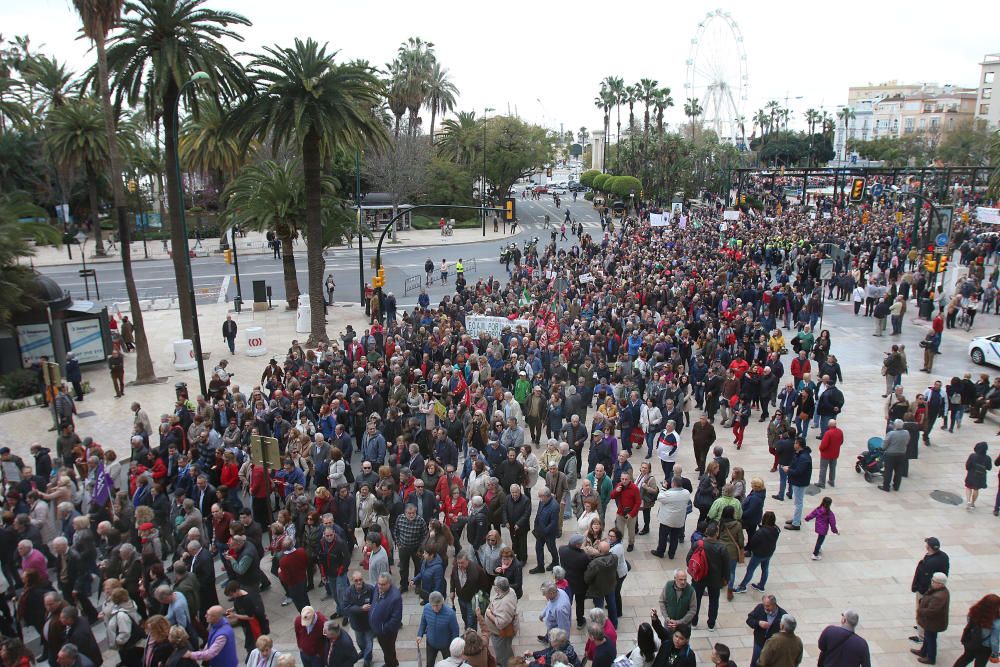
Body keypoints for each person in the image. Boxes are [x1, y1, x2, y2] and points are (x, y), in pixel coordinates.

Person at [690, 522, 730, 630]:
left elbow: (689, 558)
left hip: (699, 577)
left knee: (696, 600)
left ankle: (694, 622)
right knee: (714, 601)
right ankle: (711, 624)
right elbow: (727, 565)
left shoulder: (698, 544)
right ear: (717, 533)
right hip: (715, 579)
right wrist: (726, 578)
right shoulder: (722, 547)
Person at [910, 537, 950, 645]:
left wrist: (919, 589)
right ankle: (921, 627)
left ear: (929, 547)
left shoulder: (930, 562)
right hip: (934, 589)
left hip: (926, 592)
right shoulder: (944, 556)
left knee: (922, 611)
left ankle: (921, 636)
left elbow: (924, 578)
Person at [478, 576, 518, 667]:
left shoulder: (504, 603)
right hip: (502, 633)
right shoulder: (510, 590)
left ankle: (506, 664)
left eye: (494, 585)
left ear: (498, 589)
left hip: (500, 634)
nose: (493, 586)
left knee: (503, 652)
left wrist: (489, 614)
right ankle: (506, 660)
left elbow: (501, 624)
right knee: (506, 649)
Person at [951, 594, 1000, 667]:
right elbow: (994, 641)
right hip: (984, 648)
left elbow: (970, 624)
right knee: (980, 664)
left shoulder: (974, 611)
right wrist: (995, 654)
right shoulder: (996, 622)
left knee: (965, 658)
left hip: (971, 642)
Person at [913, 573, 950, 665]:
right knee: (928, 637)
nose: (932, 583)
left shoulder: (939, 596)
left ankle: (931, 658)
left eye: (934, 581)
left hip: (933, 622)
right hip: (932, 621)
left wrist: (921, 610)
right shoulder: (939, 590)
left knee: (931, 639)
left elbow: (932, 611)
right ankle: (923, 652)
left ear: (940, 584)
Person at [417, 591, 460, 666]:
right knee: (429, 664)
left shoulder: (450, 614)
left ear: (442, 602)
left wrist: (453, 646)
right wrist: (420, 634)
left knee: (449, 665)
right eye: (433, 605)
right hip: (431, 643)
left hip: (446, 645)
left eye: (437, 605)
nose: (435, 608)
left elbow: (455, 632)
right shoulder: (427, 608)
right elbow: (423, 622)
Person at [651, 476, 690, 559]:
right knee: (674, 538)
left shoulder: (669, 494)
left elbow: (659, 497)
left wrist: (664, 487)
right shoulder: (686, 493)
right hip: (679, 520)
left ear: (673, 483)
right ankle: (671, 554)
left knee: (663, 536)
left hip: (667, 520)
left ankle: (660, 552)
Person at [369, 573, 403, 667]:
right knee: (389, 649)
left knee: (387, 649)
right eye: (379, 583)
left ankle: (390, 664)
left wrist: (383, 629)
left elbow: (396, 619)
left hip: (386, 632)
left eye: (383, 584)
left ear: (389, 584)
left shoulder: (395, 597)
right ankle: (393, 661)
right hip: (379, 628)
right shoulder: (377, 587)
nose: (380, 586)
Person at [746, 594, 787, 667]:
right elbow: (749, 620)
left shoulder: (782, 615)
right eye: (764, 605)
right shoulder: (760, 608)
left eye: (768, 606)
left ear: (774, 604)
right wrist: (758, 623)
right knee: (755, 663)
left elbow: (785, 633)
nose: (765, 607)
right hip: (759, 642)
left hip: (773, 646)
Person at [783, 437, 811, 529]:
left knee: (798, 503)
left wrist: (788, 470)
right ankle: (796, 519)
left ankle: (796, 523)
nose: (794, 444)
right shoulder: (800, 454)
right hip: (798, 481)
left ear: (799, 445)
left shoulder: (804, 457)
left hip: (800, 482)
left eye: (795, 443)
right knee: (797, 502)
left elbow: (799, 472)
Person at [804, 496, 839, 560]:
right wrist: (835, 531)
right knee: (820, 541)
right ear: (830, 504)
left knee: (820, 539)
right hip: (823, 529)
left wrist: (807, 518)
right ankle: (815, 554)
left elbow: (812, 514)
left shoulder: (819, 509)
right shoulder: (829, 513)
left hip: (818, 527)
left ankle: (818, 548)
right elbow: (832, 524)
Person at [881, 419, 909, 493]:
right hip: (902, 454)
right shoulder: (906, 433)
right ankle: (896, 486)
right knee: (899, 471)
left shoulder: (891, 434)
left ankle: (886, 486)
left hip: (891, 454)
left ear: (894, 426)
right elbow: (907, 441)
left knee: (888, 471)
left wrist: (883, 448)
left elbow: (884, 445)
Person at [963, 441, 992, 510]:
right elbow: (989, 468)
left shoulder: (972, 456)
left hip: (971, 475)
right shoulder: (987, 458)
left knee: (968, 487)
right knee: (976, 489)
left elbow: (967, 466)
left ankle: (968, 501)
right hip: (980, 477)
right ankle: (973, 503)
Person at [816, 418, 843, 489]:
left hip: (826, 454)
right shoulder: (840, 431)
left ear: (829, 425)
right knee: (833, 467)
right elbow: (841, 441)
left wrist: (821, 449)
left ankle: (821, 483)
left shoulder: (828, 433)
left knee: (823, 468)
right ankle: (831, 481)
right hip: (835, 453)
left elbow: (823, 445)